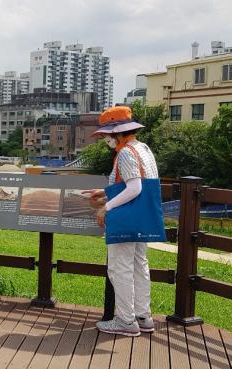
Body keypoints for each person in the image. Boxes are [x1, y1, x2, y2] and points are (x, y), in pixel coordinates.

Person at [84, 106, 159, 337]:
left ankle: (125, 321)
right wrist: (106, 192)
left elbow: (134, 188)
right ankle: (142, 316)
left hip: (125, 218)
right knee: (139, 265)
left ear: (117, 132)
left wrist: (106, 207)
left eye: (106, 135)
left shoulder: (125, 153)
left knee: (120, 268)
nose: (105, 139)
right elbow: (137, 186)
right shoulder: (143, 148)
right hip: (142, 217)